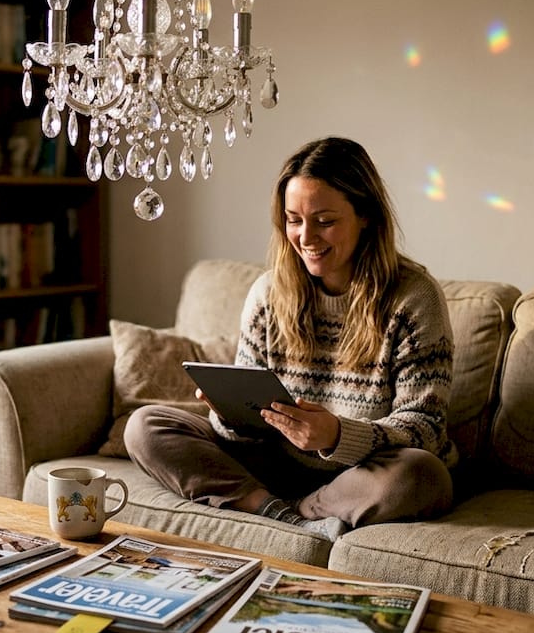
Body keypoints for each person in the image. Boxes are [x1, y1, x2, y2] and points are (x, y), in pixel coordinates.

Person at [123, 136, 457, 540]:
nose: (306, 237)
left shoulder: (414, 297)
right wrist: (230, 416)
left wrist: (336, 435)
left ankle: (290, 512)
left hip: (358, 474)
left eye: (325, 221)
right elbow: (247, 429)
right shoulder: (267, 294)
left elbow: (425, 427)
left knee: (420, 475)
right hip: (271, 462)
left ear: (365, 214)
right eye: (293, 219)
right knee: (145, 426)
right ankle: (276, 510)